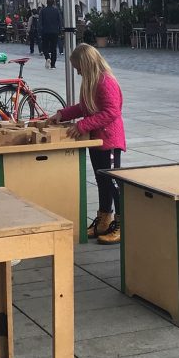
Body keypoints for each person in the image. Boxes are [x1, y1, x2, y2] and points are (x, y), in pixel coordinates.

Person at [51, 44, 126, 244]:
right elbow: (84, 107)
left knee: (113, 182)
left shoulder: (105, 82)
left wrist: (83, 125)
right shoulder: (93, 81)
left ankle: (123, 223)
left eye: (78, 68)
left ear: (86, 64)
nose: (77, 72)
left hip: (109, 140)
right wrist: (62, 114)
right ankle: (104, 218)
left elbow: (111, 112)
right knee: (102, 180)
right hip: (97, 139)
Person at [39, 0, 63, 69]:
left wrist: (40, 31)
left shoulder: (43, 11)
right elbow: (60, 21)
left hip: (45, 31)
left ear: (46, 2)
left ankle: (47, 57)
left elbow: (40, 22)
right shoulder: (56, 11)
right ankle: (53, 65)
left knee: (45, 47)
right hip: (54, 31)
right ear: (53, 3)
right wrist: (60, 30)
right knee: (53, 48)